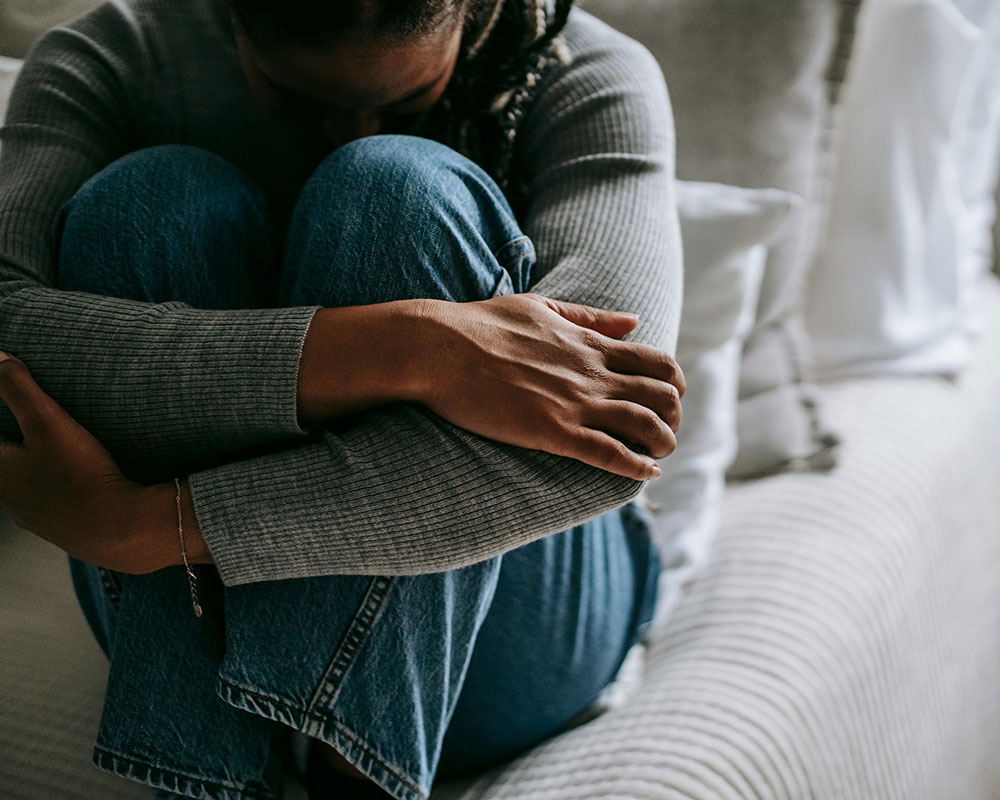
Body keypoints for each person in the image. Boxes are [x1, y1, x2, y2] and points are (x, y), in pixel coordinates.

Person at [0, 0, 684, 796]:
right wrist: (416, 346)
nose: (348, 131)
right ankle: (213, 773)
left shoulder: (581, 74)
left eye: (406, 102)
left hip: (510, 620)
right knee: (146, 204)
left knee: (396, 189)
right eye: (297, 102)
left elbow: (611, 445)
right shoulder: (113, 54)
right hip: (200, 611)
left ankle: (351, 778)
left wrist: (145, 526)